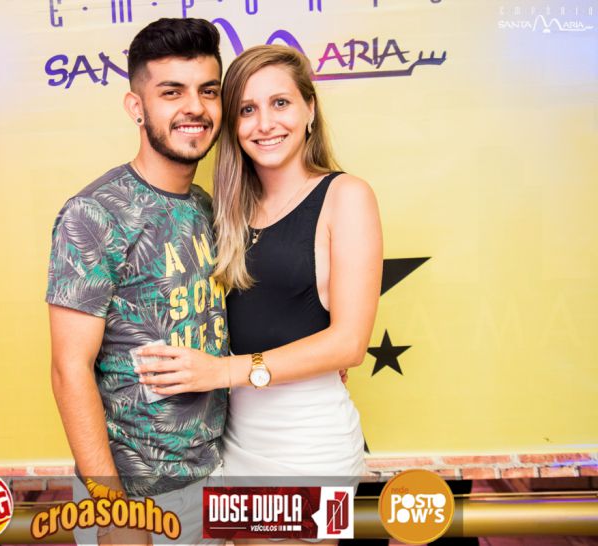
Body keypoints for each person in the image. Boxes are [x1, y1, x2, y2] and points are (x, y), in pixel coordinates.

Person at [137, 44, 382, 494]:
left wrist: (221, 371)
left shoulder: (346, 195)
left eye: (280, 103)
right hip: (233, 443)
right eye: (247, 109)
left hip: (310, 447)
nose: (265, 123)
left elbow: (349, 344)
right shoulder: (225, 212)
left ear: (310, 109)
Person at [46, 18, 229, 545]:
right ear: (136, 107)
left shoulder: (204, 206)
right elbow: (68, 369)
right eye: (171, 92)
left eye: (208, 91)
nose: (194, 107)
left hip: (218, 475)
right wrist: (113, 512)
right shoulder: (94, 214)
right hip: (137, 499)